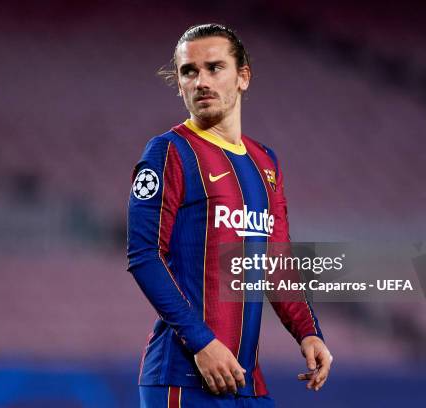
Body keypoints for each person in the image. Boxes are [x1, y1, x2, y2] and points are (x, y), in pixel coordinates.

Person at [127, 23, 332, 407]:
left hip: (246, 383)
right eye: (189, 71)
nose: (201, 80)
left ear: (243, 77)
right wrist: (202, 343)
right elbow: (144, 256)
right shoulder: (168, 152)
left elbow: (276, 260)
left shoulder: (265, 162)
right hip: (182, 379)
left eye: (214, 67)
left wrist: (308, 332)